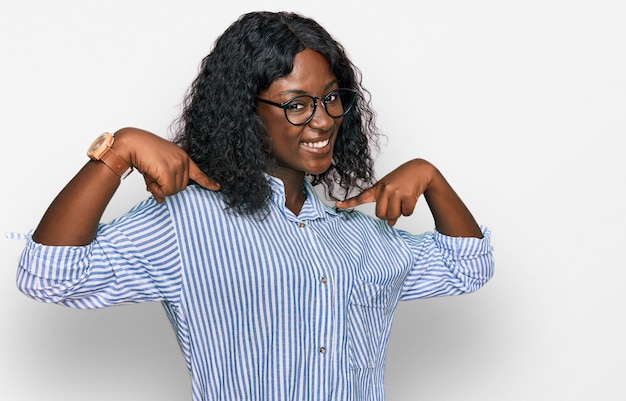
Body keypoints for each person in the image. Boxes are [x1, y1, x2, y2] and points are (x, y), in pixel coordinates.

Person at [16, 10, 494, 401]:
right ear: (245, 110)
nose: (323, 120)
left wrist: (431, 178)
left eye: (331, 98)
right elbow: (50, 275)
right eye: (297, 104)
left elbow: (467, 267)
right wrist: (116, 152)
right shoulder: (188, 221)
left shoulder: (358, 234)